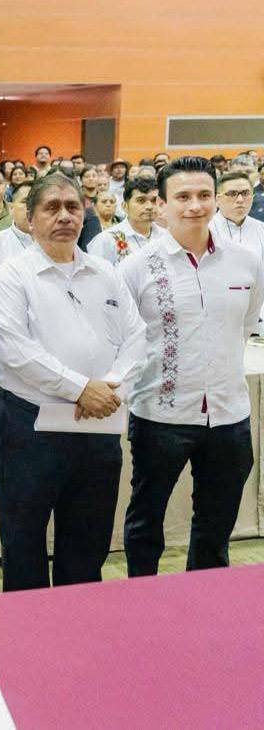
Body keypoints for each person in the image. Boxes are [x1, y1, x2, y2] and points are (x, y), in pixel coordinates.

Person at [0, 173, 147, 592]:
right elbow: (16, 351)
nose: (64, 216)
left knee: (88, 541)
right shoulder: (10, 276)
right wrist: (80, 389)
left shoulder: (105, 272)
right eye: (51, 208)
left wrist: (108, 387)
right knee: (24, 540)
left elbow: (136, 337)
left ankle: (80, 624)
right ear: (30, 218)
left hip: (97, 423)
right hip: (28, 426)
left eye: (73, 207)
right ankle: (29, 627)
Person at [118, 156, 264, 579]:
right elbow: (125, 338)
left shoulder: (247, 261)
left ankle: (205, 598)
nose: (195, 205)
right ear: (162, 205)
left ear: (216, 199)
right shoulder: (135, 268)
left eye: (204, 195)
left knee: (216, 525)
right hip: (160, 414)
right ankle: (141, 597)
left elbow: (245, 323)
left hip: (228, 413)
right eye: (183, 196)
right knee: (146, 520)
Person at [86, 177, 164, 267]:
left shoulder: (165, 236)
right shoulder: (105, 240)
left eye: (154, 200)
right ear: (124, 206)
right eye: (141, 200)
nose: (149, 206)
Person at [0, 181, 36, 272]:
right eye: (25, 201)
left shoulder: (57, 243)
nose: (32, 207)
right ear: (11, 208)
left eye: (38, 202)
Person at [210, 172, 264, 254]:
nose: (240, 200)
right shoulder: (204, 231)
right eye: (232, 194)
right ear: (217, 199)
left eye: (245, 193)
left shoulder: (261, 229)